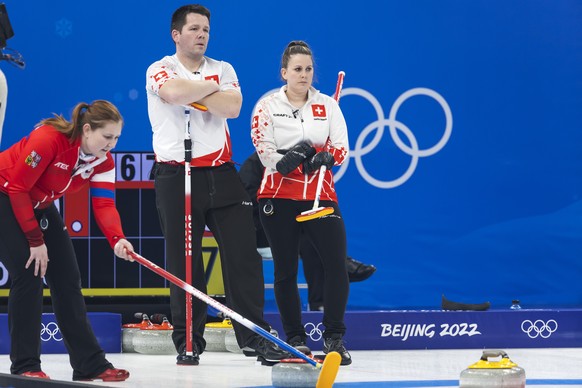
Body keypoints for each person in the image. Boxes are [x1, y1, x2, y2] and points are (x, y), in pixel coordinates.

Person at [145, 4, 290, 365]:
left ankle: (254, 337)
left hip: (221, 173)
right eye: (194, 29)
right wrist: (210, 92)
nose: (202, 35)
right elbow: (173, 93)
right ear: (176, 34)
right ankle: (188, 342)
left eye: (206, 29)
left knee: (243, 258)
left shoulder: (223, 68)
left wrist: (197, 91)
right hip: (176, 175)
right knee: (185, 263)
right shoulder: (159, 68)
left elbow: (234, 106)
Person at [0, 100, 132, 381]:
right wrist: (35, 240)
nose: (112, 145)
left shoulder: (103, 161)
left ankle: (90, 365)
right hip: (6, 195)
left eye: (117, 138)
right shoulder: (48, 140)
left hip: (38, 204)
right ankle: (25, 366)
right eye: (107, 137)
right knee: (29, 274)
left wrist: (118, 239)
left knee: (67, 279)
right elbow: (18, 187)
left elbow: (105, 206)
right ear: (86, 129)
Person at [250, 40, 352, 365]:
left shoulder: (328, 105)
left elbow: (341, 147)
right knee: (286, 270)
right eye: (297, 69)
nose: (304, 74)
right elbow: (263, 149)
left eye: (308, 69)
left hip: (320, 195)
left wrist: (324, 156)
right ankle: (296, 338)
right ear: (284, 72)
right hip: (278, 196)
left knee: (336, 266)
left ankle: (334, 338)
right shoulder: (267, 105)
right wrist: (290, 158)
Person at [239, 151, 377, 311]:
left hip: (295, 228)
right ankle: (334, 273)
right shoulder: (258, 162)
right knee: (309, 237)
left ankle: (322, 299)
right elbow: (248, 200)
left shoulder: (301, 160)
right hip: (264, 228)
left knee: (314, 229)